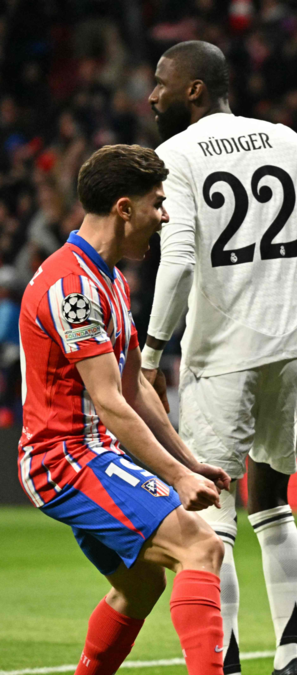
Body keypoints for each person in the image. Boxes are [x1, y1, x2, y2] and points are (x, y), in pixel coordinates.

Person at [142, 41, 297, 675]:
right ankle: (291, 655)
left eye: (162, 82)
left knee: (214, 516)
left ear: (195, 90)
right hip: (292, 347)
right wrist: (286, 307)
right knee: (274, 503)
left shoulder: (177, 155)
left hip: (220, 355)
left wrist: (151, 352)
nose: (153, 95)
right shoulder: (291, 142)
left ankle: (226, 661)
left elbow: (176, 262)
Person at [18, 144, 230, 675]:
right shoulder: (73, 289)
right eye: (157, 203)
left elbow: (135, 387)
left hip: (90, 454)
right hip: (65, 458)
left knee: (139, 586)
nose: (164, 216)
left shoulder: (108, 278)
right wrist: (176, 477)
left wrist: (189, 462)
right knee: (201, 547)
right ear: (124, 208)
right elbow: (110, 402)